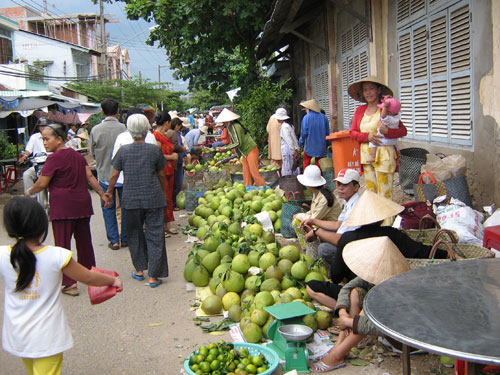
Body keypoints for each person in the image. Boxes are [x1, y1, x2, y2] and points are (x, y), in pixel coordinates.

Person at [0, 196, 123, 375]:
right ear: (42, 225)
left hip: (18, 336)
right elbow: (88, 277)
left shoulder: (3, 255)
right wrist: (113, 280)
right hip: (47, 338)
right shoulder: (56, 256)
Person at [24, 123, 109, 296]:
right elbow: (90, 176)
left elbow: (42, 183)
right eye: (43, 139)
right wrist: (101, 193)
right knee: (85, 243)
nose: (45, 143)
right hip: (82, 204)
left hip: (63, 207)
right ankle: (92, 277)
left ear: (59, 139)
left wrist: (29, 192)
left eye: (47, 139)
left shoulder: (54, 158)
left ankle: (70, 283)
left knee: (63, 245)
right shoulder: (77, 156)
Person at [309, 236, 410, 372]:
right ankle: (341, 347)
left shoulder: (395, 289)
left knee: (366, 310)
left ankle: (336, 355)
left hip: (403, 339)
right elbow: (347, 288)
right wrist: (343, 311)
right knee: (355, 292)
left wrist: (349, 322)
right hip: (371, 325)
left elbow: (383, 327)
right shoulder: (373, 275)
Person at [328, 190, 450, 283]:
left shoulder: (347, 238)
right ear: (381, 219)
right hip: (389, 283)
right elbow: (419, 251)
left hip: (358, 284)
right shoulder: (391, 234)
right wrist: (446, 254)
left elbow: (336, 274)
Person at [106, 114, 169, 288]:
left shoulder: (123, 150)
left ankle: (140, 270)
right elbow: (162, 174)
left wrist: (109, 192)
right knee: (155, 234)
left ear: (130, 130)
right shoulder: (154, 149)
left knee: (134, 234)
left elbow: (114, 174)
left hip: (131, 199)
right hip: (153, 197)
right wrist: (163, 191)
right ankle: (154, 276)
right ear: (146, 128)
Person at [348, 76, 407, 199]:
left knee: (385, 194)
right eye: (365, 90)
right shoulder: (360, 110)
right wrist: (367, 136)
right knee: (371, 194)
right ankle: (375, 219)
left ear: (378, 90)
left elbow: (402, 131)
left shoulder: (387, 109)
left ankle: (388, 219)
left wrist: (388, 131)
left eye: (371, 89)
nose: (368, 92)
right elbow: (352, 132)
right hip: (366, 157)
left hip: (384, 155)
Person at [301, 168, 361, 274]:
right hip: (345, 238)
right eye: (338, 184)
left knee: (324, 249)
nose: (340, 188)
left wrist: (316, 231)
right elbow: (338, 225)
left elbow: (340, 239)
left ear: (356, 187)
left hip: (353, 246)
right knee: (323, 233)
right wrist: (313, 221)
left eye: (345, 185)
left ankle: (346, 273)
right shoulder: (348, 202)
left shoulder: (356, 206)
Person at [89, 98, 127, 250]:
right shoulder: (124, 128)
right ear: (118, 111)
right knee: (125, 208)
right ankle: (125, 238)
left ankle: (114, 240)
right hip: (124, 176)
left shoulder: (95, 130)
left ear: (102, 111)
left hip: (104, 175)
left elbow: (92, 152)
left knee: (107, 207)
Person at [215, 108, 266, 186]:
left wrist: (226, 148)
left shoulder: (234, 126)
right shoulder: (230, 127)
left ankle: (264, 188)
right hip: (244, 152)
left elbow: (238, 143)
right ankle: (248, 188)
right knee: (246, 172)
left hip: (250, 149)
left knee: (254, 172)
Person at [154, 111, 179, 235]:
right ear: (167, 122)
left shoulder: (164, 136)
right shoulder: (156, 136)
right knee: (162, 198)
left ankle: (167, 225)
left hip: (170, 171)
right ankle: (160, 225)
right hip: (162, 171)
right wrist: (171, 157)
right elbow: (157, 155)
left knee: (168, 197)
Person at [367, 97, 402, 163]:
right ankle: (399, 154)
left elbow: (383, 116)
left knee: (372, 143)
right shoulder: (396, 119)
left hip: (384, 141)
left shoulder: (388, 119)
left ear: (390, 112)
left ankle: (372, 156)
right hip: (393, 141)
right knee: (396, 145)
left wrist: (385, 107)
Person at [298, 99, 330, 170]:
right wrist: (327, 144)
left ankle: (306, 177)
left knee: (306, 163)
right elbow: (327, 133)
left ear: (309, 109)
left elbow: (304, 133)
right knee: (319, 164)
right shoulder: (324, 117)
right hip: (321, 146)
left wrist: (300, 144)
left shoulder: (306, 118)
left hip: (310, 146)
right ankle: (319, 178)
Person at [20, 118, 49, 194]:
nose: (43, 128)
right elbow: (28, 150)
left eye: (44, 126)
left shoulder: (52, 136)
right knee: (26, 175)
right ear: (38, 127)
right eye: (41, 126)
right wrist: (24, 156)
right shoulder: (34, 137)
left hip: (49, 164)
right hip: (37, 165)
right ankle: (31, 198)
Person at [168, 117, 187, 209]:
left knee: (176, 183)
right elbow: (175, 146)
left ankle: (175, 203)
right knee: (176, 183)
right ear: (176, 126)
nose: (180, 128)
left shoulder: (173, 133)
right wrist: (182, 149)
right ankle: (175, 203)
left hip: (177, 161)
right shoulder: (174, 133)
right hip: (176, 161)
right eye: (179, 126)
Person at [277, 108, 299, 176]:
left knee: (287, 168)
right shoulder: (289, 125)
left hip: (287, 150)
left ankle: (287, 183)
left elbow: (289, 140)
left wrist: (293, 151)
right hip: (289, 149)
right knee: (289, 167)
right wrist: (296, 148)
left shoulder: (284, 127)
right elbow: (294, 138)